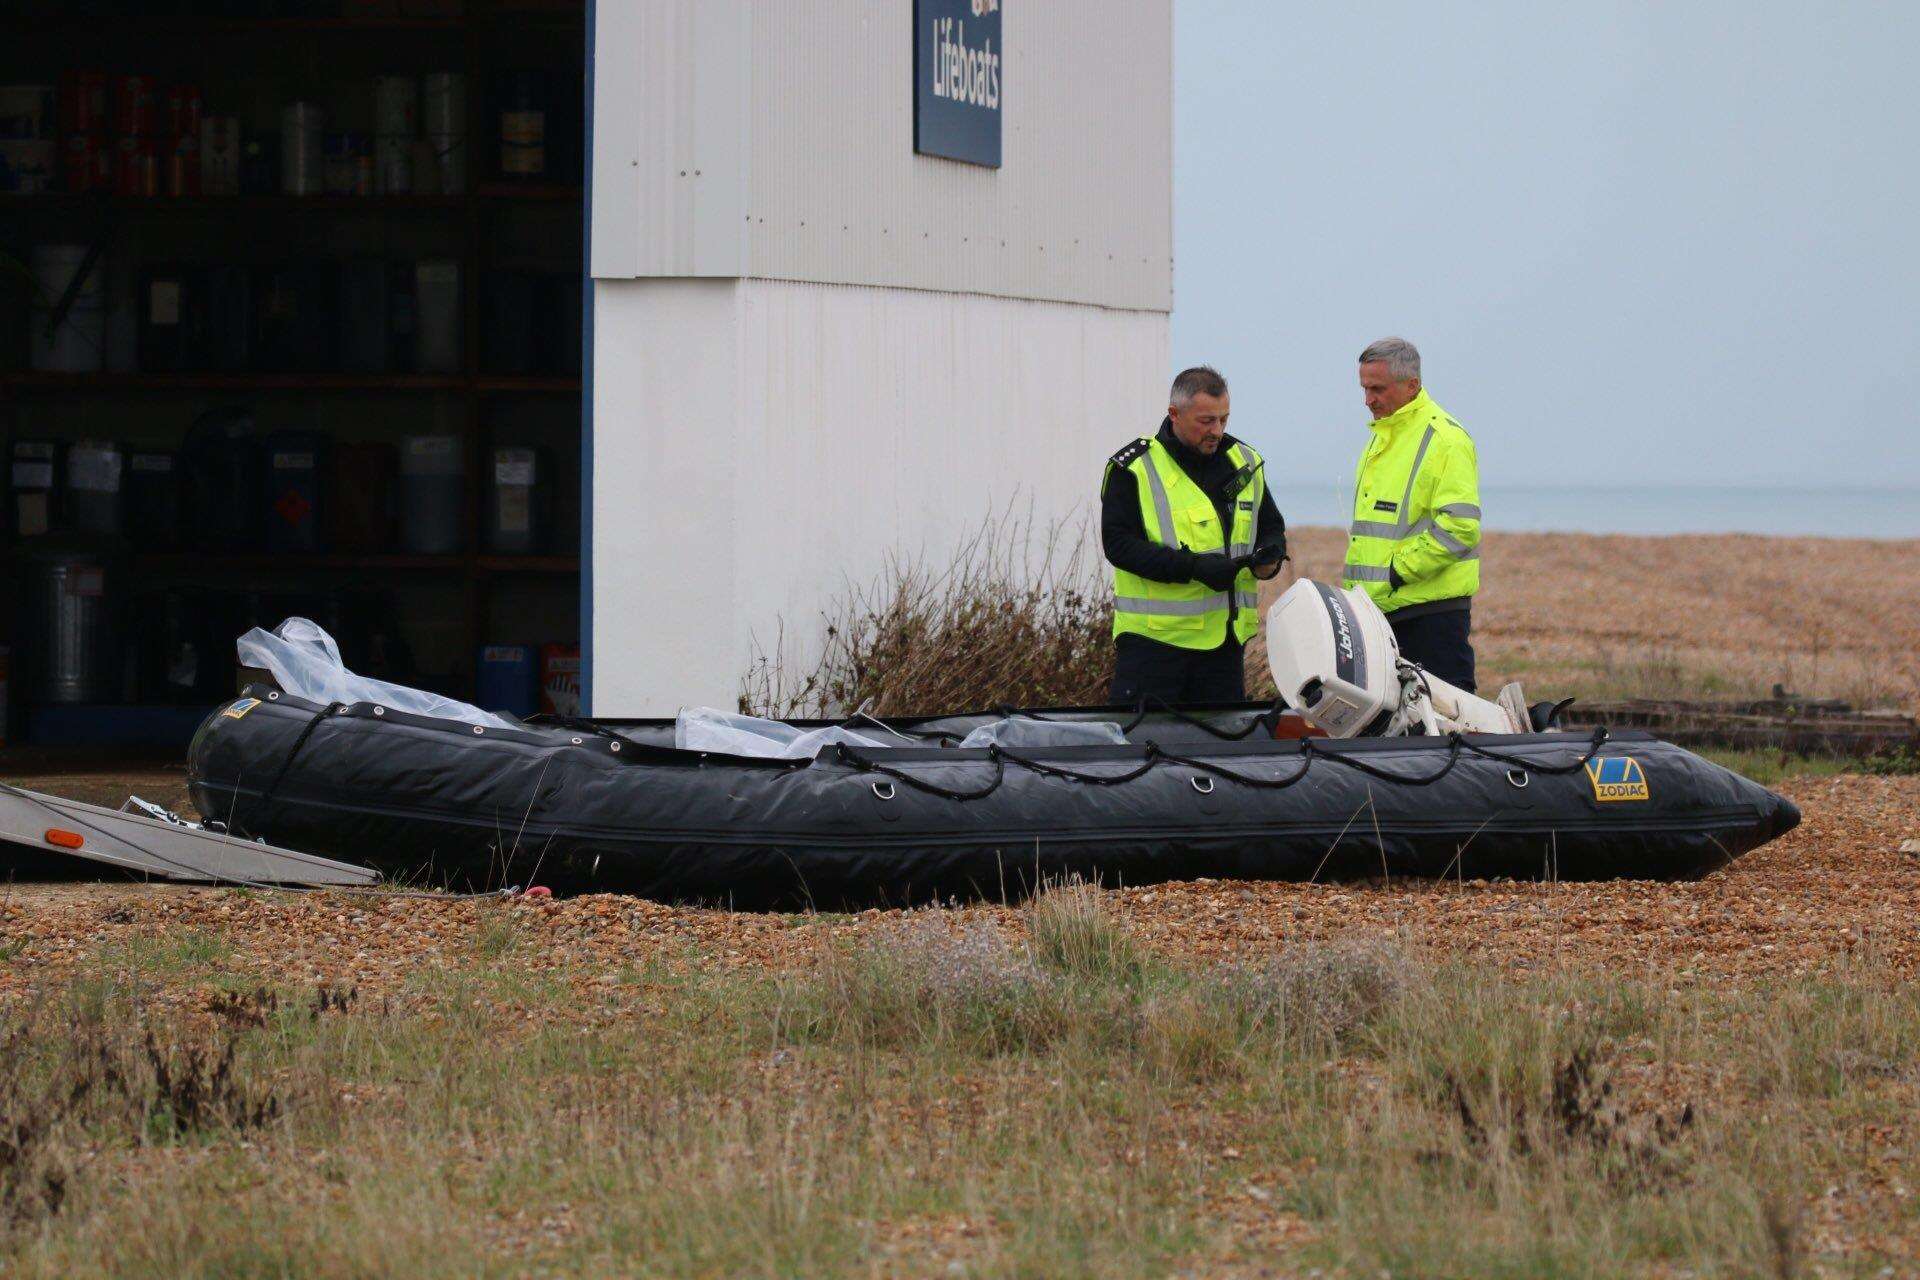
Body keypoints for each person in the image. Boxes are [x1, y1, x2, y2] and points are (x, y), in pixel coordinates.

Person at [1101, 365, 1288, 705]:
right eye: (1206, 421)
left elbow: (1271, 526)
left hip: (1224, 648)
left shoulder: (1245, 462)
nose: (1216, 430)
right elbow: (1118, 545)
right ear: (1174, 414)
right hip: (1154, 648)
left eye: (1224, 419)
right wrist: (1193, 568)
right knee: (1139, 754)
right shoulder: (1133, 468)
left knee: (1221, 756)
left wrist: (1270, 556)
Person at [1341, 337, 1482, 690]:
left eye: (1378, 389)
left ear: (1412, 385)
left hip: (1430, 616)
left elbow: (1460, 528)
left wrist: (1397, 571)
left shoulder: (1445, 439)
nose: (1368, 399)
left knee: (1446, 728)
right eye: (1364, 388)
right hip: (1378, 616)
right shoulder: (1382, 436)